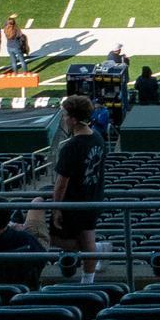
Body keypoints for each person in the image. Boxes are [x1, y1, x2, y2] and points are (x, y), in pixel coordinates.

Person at [51, 95, 108, 282]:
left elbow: (61, 182)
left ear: (73, 119)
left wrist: (56, 207)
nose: (64, 118)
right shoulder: (97, 137)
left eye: (66, 114)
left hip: (77, 200)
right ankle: (97, 250)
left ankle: (88, 280)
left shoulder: (72, 146)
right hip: (93, 195)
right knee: (84, 239)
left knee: (51, 237)